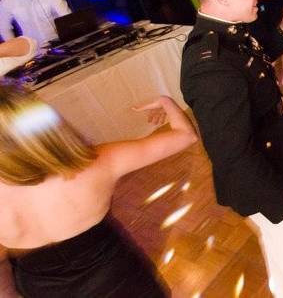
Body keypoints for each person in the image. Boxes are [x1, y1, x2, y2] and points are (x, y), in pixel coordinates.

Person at [179, 0, 283, 298]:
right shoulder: (209, 63)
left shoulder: (228, 33)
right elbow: (231, 153)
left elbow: (252, 70)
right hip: (262, 179)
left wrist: (282, 33)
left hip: (273, 163)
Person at [0, 86, 197, 297]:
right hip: (117, 276)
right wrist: (166, 102)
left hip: (42, 288)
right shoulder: (99, 162)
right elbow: (186, 136)